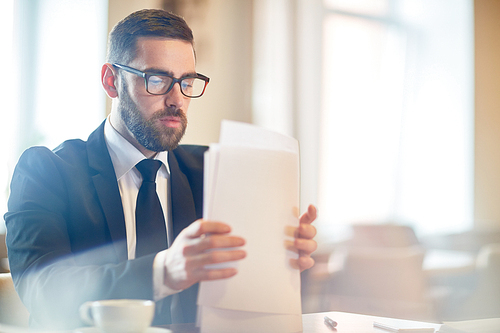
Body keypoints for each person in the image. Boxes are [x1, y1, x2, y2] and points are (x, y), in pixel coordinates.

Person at [4, 9, 317, 329]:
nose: (177, 99)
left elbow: (239, 289)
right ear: (111, 81)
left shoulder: (218, 171)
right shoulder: (45, 171)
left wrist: (280, 258)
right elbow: (43, 290)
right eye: (157, 79)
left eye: (187, 81)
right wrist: (163, 272)